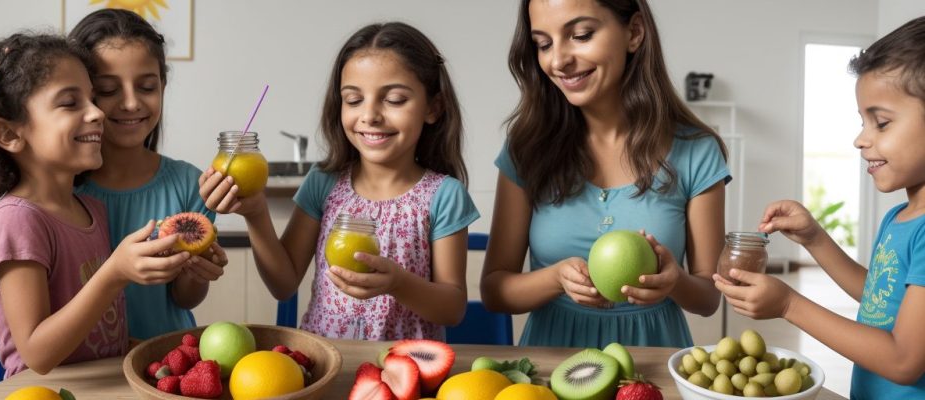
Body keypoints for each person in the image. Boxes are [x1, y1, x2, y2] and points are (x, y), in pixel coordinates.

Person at [0, 32, 189, 377]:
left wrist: (154, 357)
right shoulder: (17, 222)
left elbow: (98, 340)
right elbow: (37, 353)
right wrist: (113, 274)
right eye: (70, 103)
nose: (97, 113)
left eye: (93, 99)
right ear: (9, 134)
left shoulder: (90, 210)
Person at [199, 22, 478, 340]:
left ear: (432, 108)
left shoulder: (444, 195)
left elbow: (452, 309)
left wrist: (398, 283)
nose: (370, 115)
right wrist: (256, 213)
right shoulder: (324, 183)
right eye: (354, 100)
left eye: (395, 99)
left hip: (406, 370)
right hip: (327, 364)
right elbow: (284, 284)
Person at [481, 0, 730, 348]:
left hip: (652, 363)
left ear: (635, 32)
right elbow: (494, 291)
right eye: (543, 44)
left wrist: (675, 281)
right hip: (552, 367)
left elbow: (707, 299)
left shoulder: (697, 150)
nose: (558, 61)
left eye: (580, 35)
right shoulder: (526, 148)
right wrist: (555, 278)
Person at [715, 17, 925, 398]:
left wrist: (789, 304)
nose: (861, 139)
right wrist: (814, 238)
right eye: (863, 121)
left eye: (881, 122)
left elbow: (904, 361)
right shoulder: (901, 218)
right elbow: (879, 299)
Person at [70, 8, 227, 340]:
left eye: (146, 87)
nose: (131, 104)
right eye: (109, 90)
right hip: (91, 372)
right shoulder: (63, 191)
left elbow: (183, 298)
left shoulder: (190, 184)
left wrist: (198, 274)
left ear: (163, 86)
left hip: (166, 363)